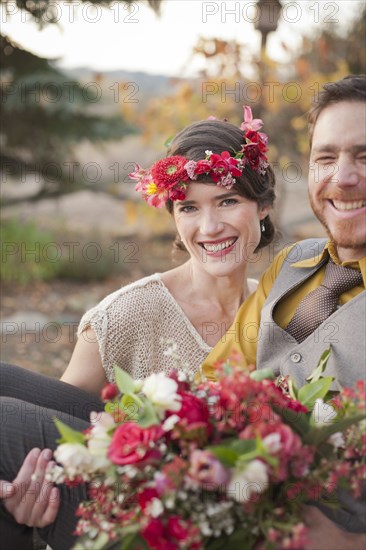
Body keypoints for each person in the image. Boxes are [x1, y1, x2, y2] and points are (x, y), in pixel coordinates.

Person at [0, 108, 276, 549]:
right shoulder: (123, 317)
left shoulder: (287, 310)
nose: (210, 227)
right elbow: (60, 438)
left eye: (227, 201)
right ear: (173, 217)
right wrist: (26, 500)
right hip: (142, 513)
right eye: (189, 207)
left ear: (262, 206)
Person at [203, 75, 366, 549]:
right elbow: (216, 378)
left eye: (365, 156)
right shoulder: (293, 264)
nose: (344, 178)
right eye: (326, 158)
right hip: (212, 497)